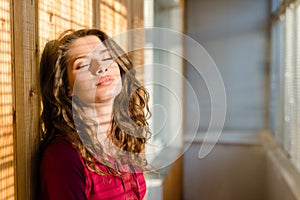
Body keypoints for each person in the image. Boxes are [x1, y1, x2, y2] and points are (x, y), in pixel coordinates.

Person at [39, 29, 151, 200]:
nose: (101, 68)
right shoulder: (64, 157)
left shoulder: (124, 138)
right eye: (83, 64)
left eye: (107, 58)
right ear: (68, 88)